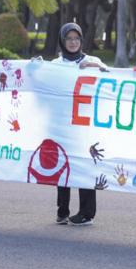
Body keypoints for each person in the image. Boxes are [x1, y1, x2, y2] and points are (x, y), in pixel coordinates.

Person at [52, 23, 106, 226]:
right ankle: (62, 210)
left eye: (76, 38)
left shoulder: (92, 60)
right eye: (69, 39)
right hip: (62, 123)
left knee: (84, 167)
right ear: (62, 41)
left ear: (81, 40)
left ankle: (86, 213)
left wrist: (93, 68)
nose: (73, 42)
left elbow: (111, 77)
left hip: (85, 124)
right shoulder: (56, 64)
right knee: (62, 165)